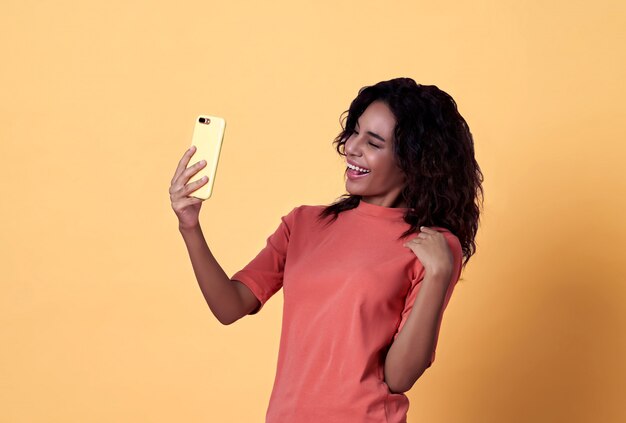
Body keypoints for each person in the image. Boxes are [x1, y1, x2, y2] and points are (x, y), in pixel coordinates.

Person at [169, 77, 484, 422]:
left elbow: (399, 377)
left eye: (374, 142)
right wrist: (190, 226)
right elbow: (230, 306)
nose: (351, 147)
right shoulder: (303, 224)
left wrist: (438, 275)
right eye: (355, 132)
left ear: (414, 162)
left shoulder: (433, 246)